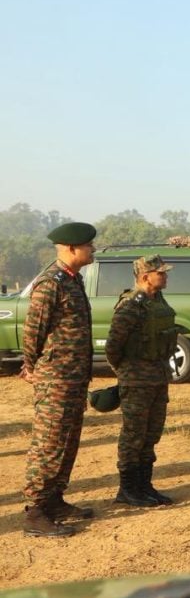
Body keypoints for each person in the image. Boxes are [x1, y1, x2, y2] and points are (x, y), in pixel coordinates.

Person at [21, 222, 97, 537]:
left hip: (74, 377)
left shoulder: (72, 279)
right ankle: (35, 511)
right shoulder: (50, 283)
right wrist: (30, 366)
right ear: (71, 248)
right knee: (49, 442)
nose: (93, 249)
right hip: (56, 379)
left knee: (67, 441)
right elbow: (33, 330)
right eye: (88, 245)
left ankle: (54, 499)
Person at [105, 255, 180, 507]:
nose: (166, 276)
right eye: (161, 273)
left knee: (151, 434)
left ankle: (144, 486)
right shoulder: (130, 306)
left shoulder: (157, 300)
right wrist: (126, 372)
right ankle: (127, 489)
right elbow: (113, 346)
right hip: (136, 381)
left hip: (158, 377)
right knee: (133, 435)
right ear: (146, 277)